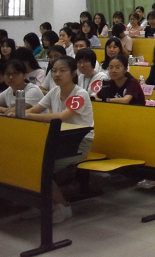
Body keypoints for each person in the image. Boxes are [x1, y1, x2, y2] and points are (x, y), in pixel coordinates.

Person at [12, 56, 94, 223]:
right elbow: (36, 109)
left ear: (73, 73)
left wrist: (28, 115)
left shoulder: (80, 94)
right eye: (54, 71)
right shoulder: (54, 91)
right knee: (27, 162)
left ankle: (63, 206)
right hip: (59, 141)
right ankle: (43, 204)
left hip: (79, 143)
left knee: (41, 168)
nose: (57, 74)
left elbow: (62, 117)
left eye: (62, 71)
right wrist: (17, 112)